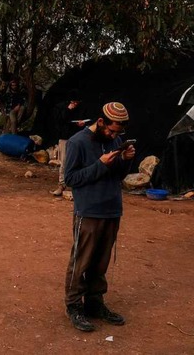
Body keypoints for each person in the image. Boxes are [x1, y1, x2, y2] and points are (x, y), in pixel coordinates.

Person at [63, 102, 135, 332]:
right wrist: (100, 165)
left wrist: (126, 160)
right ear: (101, 122)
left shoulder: (113, 141)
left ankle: (95, 303)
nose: (114, 136)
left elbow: (118, 176)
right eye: (112, 130)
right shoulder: (78, 142)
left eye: (119, 133)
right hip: (89, 211)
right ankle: (74, 306)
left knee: (101, 262)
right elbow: (71, 179)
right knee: (81, 261)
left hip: (112, 209)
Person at [50, 90, 87, 196]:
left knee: (77, 161)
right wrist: (68, 110)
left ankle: (75, 186)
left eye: (77, 102)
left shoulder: (81, 107)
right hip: (64, 138)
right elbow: (58, 122)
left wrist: (81, 123)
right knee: (64, 162)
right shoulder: (60, 107)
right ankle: (62, 185)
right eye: (74, 102)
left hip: (77, 137)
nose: (75, 104)